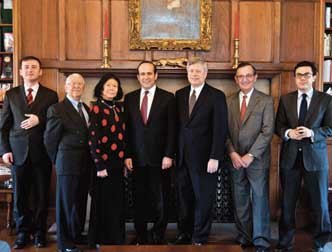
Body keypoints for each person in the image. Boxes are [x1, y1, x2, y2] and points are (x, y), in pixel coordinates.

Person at [0, 56, 58, 249]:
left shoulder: (51, 95)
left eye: (34, 67)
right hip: (17, 153)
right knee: (20, 196)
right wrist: (5, 151)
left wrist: (39, 119)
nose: (30, 70)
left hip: (42, 153)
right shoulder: (11, 95)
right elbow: (3, 127)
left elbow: (55, 122)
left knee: (42, 195)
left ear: (40, 72)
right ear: (20, 71)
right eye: (26, 67)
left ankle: (40, 232)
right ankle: (23, 232)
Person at [275, 61, 332, 252]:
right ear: (294, 78)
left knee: (320, 205)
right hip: (290, 159)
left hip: (315, 160)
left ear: (315, 77)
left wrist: (312, 133)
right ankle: (284, 244)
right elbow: (279, 127)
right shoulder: (286, 99)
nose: (302, 78)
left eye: (307, 74)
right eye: (299, 75)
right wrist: (288, 133)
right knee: (287, 204)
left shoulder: (325, 100)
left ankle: (321, 243)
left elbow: (330, 128)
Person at [174, 58, 228, 245]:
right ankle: (184, 234)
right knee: (184, 198)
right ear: (187, 74)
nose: (194, 74)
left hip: (206, 159)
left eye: (198, 71)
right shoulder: (179, 95)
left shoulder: (216, 96)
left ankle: (199, 237)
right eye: (191, 71)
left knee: (203, 199)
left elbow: (220, 129)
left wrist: (215, 157)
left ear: (205, 73)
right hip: (182, 158)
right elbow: (177, 127)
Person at [124, 61, 176, 245]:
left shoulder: (168, 98)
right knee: (138, 199)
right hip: (136, 159)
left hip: (161, 159)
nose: (145, 77)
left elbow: (172, 130)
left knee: (161, 198)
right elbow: (127, 130)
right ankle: (140, 235)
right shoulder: (129, 99)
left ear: (156, 76)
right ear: (138, 77)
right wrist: (127, 155)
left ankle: (158, 234)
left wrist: (169, 154)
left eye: (149, 73)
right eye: (142, 74)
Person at [226, 62, 274, 252]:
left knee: (260, 199)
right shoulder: (228, 100)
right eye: (240, 76)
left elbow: (268, 131)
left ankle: (261, 239)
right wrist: (232, 153)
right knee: (240, 199)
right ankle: (244, 236)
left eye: (248, 75)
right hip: (235, 159)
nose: (244, 79)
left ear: (255, 77)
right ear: (236, 79)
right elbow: (224, 131)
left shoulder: (266, 100)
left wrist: (251, 155)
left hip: (257, 160)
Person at [44, 73, 91, 252]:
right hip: (67, 163)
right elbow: (50, 140)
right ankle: (64, 243)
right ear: (65, 87)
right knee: (66, 204)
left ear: (84, 87)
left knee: (79, 201)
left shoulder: (85, 108)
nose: (76, 87)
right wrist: (57, 160)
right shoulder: (57, 109)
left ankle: (76, 234)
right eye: (72, 84)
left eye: (80, 84)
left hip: (85, 163)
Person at [88, 73, 126, 246]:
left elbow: (122, 137)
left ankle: (116, 239)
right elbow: (93, 138)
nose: (112, 88)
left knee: (116, 203)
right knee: (102, 203)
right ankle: (100, 239)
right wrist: (99, 164)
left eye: (115, 86)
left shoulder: (118, 108)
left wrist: (124, 160)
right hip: (102, 165)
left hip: (117, 164)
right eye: (109, 85)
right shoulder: (95, 108)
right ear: (101, 88)